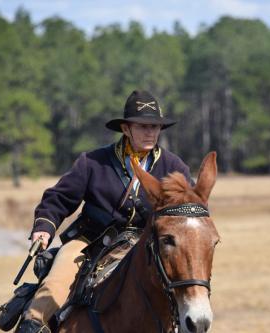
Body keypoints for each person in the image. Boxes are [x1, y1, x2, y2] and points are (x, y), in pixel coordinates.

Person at [16, 90, 193, 333]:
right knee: (55, 284)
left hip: (147, 246)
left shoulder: (174, 167)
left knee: (189, 293)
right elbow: (59, 198)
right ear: (126, 128)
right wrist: (44, 228)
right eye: (142, 126)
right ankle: (33, 325)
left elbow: (189, 210)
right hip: (91, 243)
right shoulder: (93, 161)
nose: (150, 132)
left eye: (155, 126)